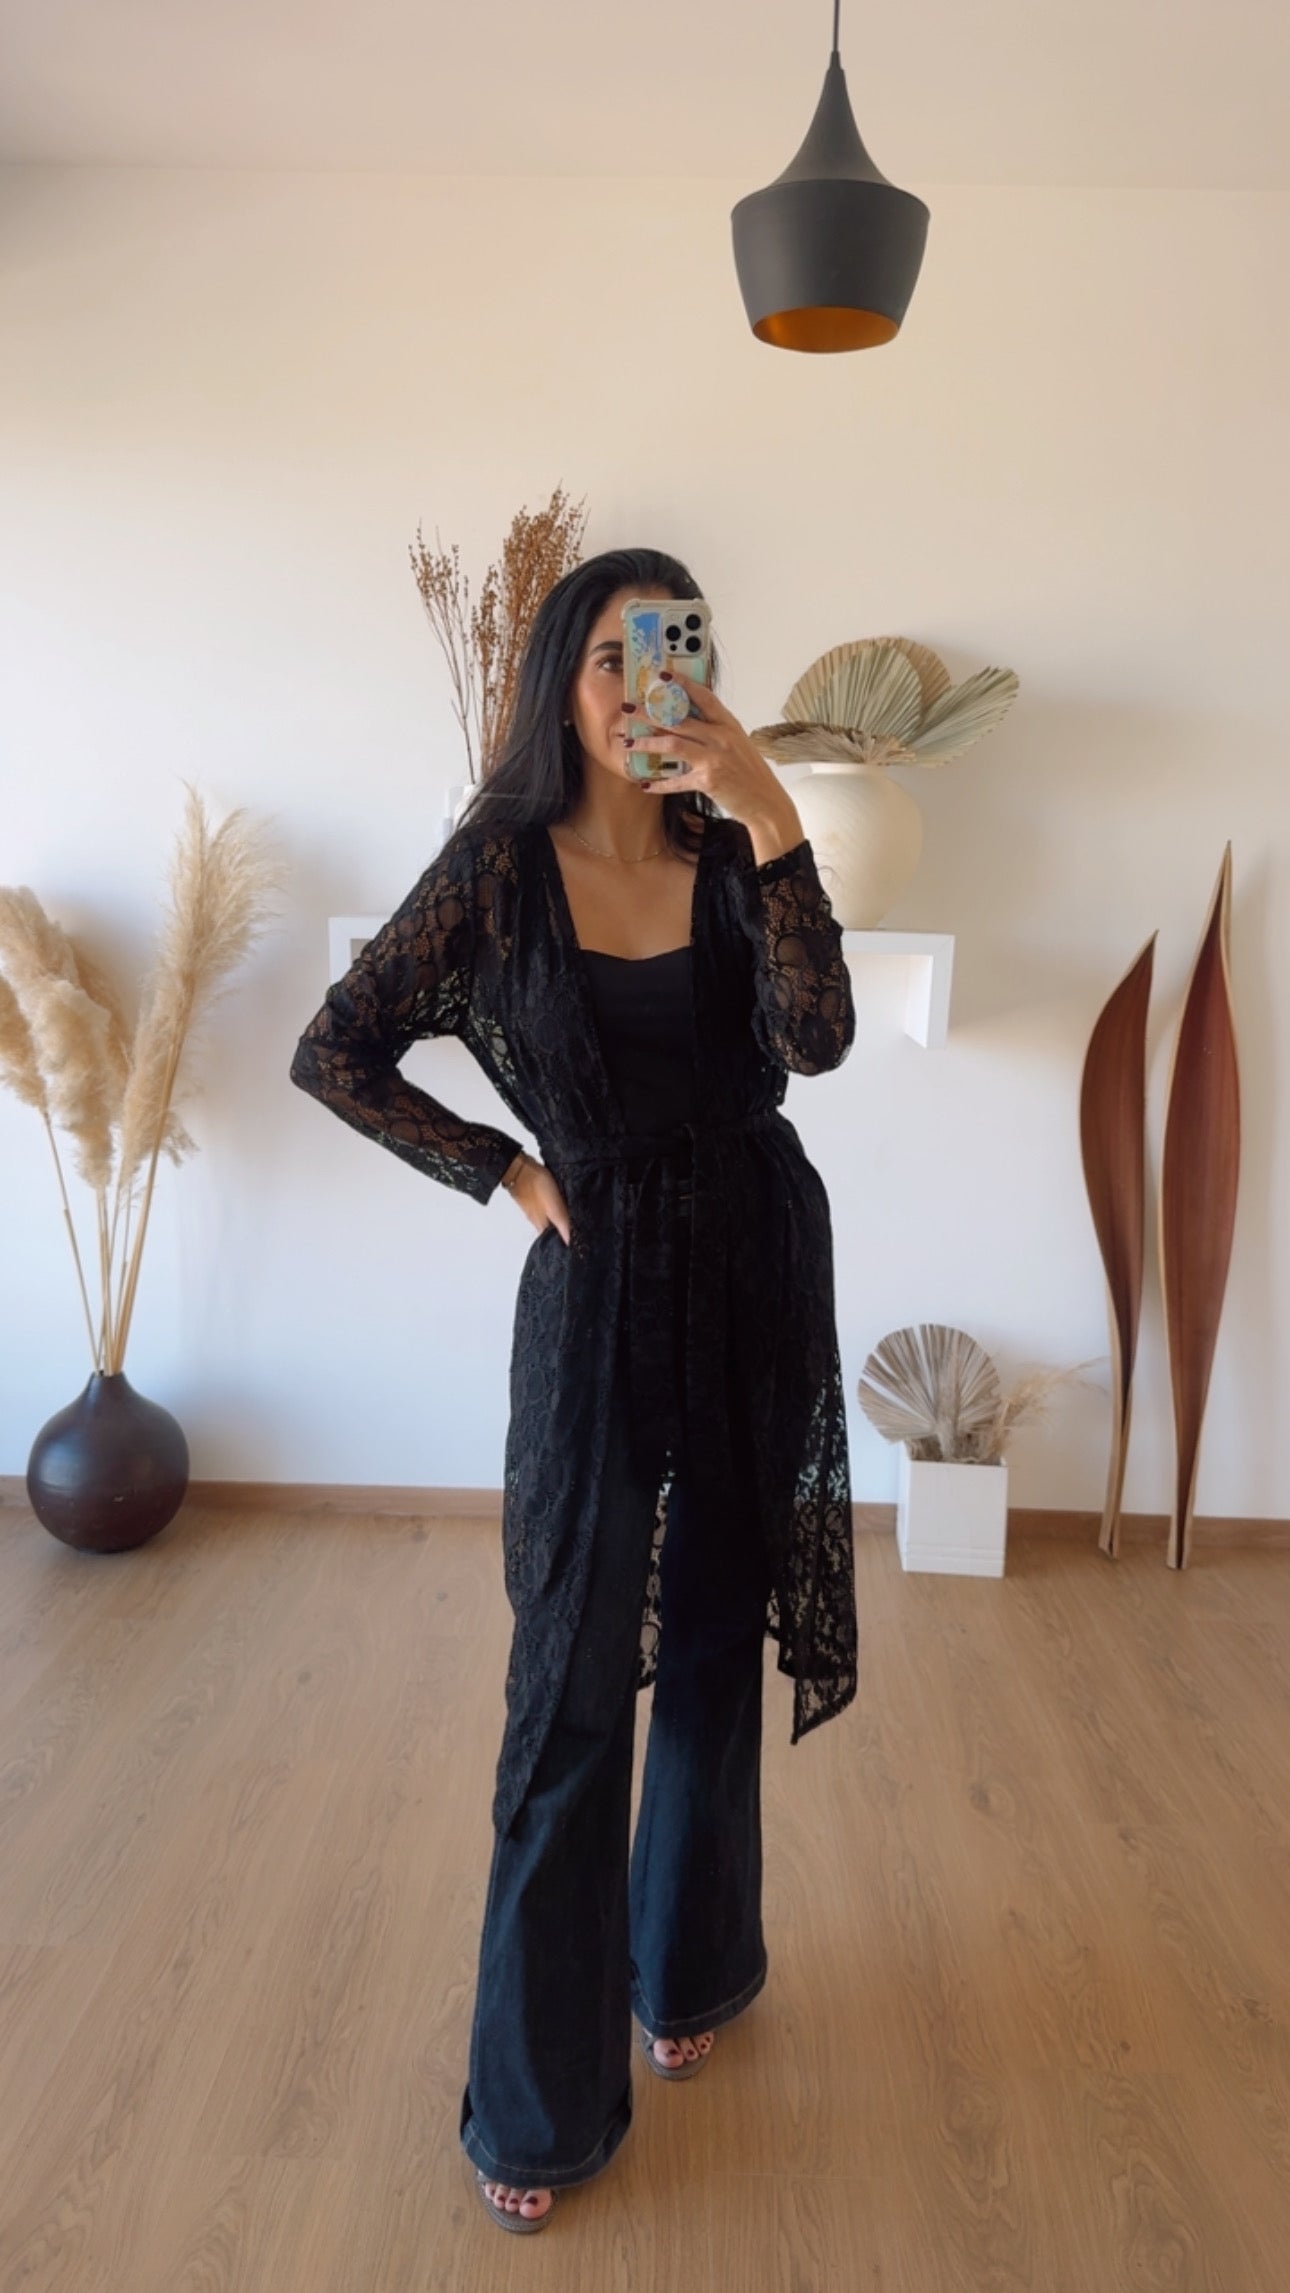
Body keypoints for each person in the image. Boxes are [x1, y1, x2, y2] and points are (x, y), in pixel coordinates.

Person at [289, 547, 858, 2234]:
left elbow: (815, 1039)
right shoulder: (496, 867)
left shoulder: (731, 852)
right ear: (559, 679)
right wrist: (508, 1170)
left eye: (669, 650)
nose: (638, 685)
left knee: (713, 1645)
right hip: (599, 1290)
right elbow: (337, 1046)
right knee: (569, 1680)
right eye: (609, 655)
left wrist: (772, 810)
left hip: (752, 1266)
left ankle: (687, 1961)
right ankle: (536, 2101)